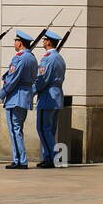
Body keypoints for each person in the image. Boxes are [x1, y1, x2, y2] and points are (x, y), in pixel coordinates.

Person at [0, 30, 38, 169]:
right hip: (25, 96)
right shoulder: (32, 58)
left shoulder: (20, 58)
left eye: (15, 41)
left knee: (15, 130)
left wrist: (3, 93)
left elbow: (12, 79)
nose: (14, 44)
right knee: (18, 129)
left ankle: (20, 160)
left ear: (20, 43)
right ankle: (20, 159)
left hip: (16, 97)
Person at [34, 29, 67, 169]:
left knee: (43, 128)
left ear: (48, 42)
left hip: (48, 97)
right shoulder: (59, 58)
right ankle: (48, 156)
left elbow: (42, 79)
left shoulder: (47, 58)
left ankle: (53, 158)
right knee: (50, 130)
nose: (43, 42)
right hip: (57, 95)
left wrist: (32, 92)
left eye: (44, 40)